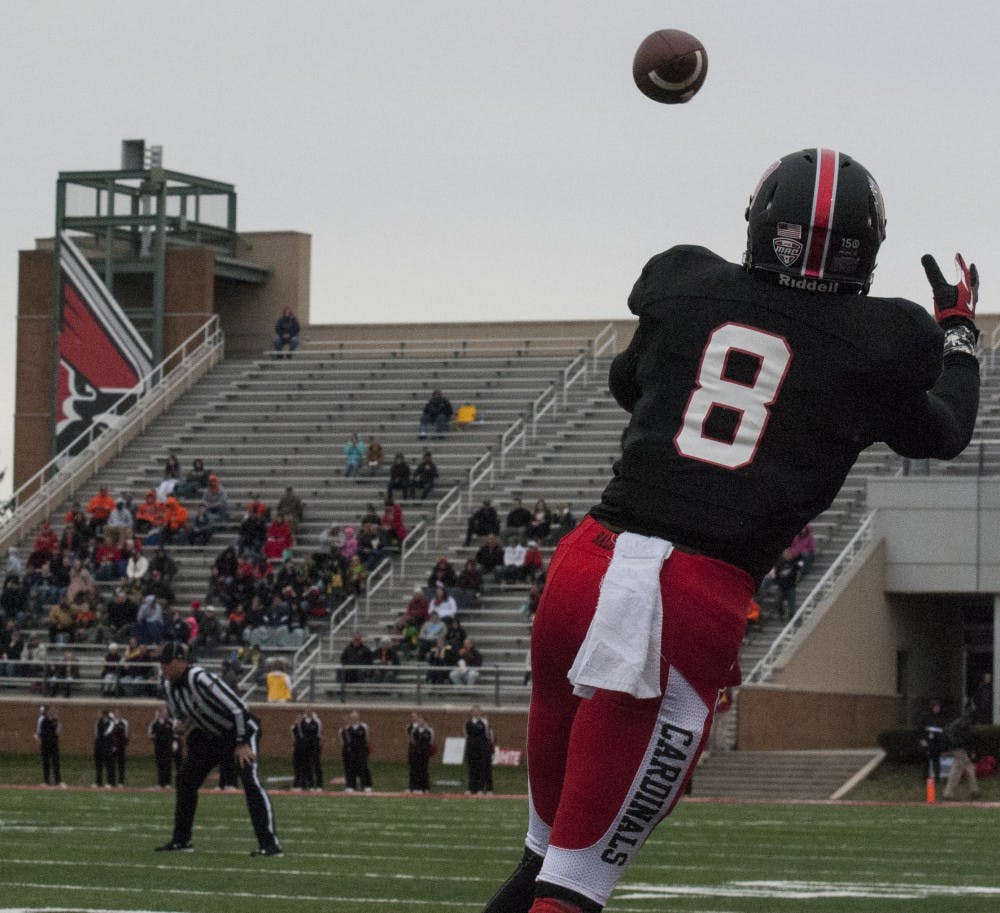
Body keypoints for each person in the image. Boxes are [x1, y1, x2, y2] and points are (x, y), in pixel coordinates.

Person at [480, 147, 981, 913]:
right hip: (681, 600)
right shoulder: (876, 344)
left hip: (585, 568)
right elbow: (945, 429)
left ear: (758, 222)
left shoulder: (686, 283)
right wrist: (959, 336)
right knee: (574, 888)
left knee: (544, 864)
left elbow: (630, 384)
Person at [155, 641, 283, 855]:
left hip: (239, 730)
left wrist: (241, 743)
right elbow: (183, 715)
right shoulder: (169, 686)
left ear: (181, 662)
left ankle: (270, 844)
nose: (164, 670)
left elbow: (238, 708)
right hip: (210, 735)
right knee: (186, 779)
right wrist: (181, 725)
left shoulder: (199, 677)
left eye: (167, 664)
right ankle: (181, 840)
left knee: (249, 779)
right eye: (162, 665)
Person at [942, 705, 980, 801]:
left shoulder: (959, 721)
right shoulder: (965, 723)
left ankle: (974, 790)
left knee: (967, 767)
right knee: (958, 769)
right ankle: (949, 792)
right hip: (959, 748)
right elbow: (966, 739)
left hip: (955, 747)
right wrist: (970, 751)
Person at [339, 709, 373, 792]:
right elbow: (342, 742)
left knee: (363, 767)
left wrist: (365, 750)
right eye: (352, 717)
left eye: (356, 717)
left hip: (361, 751)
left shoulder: (364, 726)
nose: (354, 718)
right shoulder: (345, 729)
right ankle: (350, 786)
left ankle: (366, 785)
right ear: (350, 718)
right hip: (351, 752)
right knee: (350, 768)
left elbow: (367, 738)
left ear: (358, 717)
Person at [465, 706, 494, 795]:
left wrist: (488, 747)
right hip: (471, 749)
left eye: (477, 711)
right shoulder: (468, 723)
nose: (476, 713)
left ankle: (481, 788)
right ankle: (472, 788)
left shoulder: (484, 722)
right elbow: (466, 735)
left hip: (482, 749)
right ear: (471, 712)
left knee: (483, 768)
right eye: (474, 711)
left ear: (480, 712)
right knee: (472, 768)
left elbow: (488, 735)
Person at [35, 705, 65, 787]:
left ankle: (58, 781)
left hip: (54, 744)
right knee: (46, 763)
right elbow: (40, 733)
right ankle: (46, 781)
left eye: (54, 710)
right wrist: (40, 742)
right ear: (47, 711)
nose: (53, 711)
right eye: (51, 710)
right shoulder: (43, 720)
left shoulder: (55, 721)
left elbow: (57, 733)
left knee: (56, 763)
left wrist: (59, 727)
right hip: (45, 744)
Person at [920, 698, 948, 784]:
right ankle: (926, 777)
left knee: (936, 760)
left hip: (937, 741)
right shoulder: (926, 716)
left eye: (938, 707)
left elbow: (944, 728)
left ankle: (937, 777)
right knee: (927, 760)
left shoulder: (941, 717)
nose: (937, 708)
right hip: (928, 740)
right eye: (936, 707)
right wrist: (922, 739)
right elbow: (920, 728)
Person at [407, 711, 435, 793]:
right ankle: (416, 787)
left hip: (425, 753)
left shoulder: (429, 730)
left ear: (425, 721)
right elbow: (412, 741)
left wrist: (426, 749)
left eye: (422, 719)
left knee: (424, 770)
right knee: (416, 769)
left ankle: (425, 787)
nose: (420, 721)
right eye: (419, 719)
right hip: (416, 753)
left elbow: (431, 741)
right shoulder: (414, 730)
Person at [149, 706, 176, 789]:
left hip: (167, 746)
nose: (165, 714)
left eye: (166, 713)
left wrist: (173, 743)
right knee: (160, 764)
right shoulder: (155, 723)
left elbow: (174, 734)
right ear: (160, 713)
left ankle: (168, 783)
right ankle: (160, 783)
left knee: (167, 764)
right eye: (164, 713)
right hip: (159, 746)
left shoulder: (170, 723)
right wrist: (155, 738)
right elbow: (151, 734)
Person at [93, 708, 117, 788]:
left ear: (104, 715)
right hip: (99, 745)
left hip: (107, 746)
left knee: (109, 765)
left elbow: (107, 733)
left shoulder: (111, 723)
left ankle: (111, 782)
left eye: (99, 714)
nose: (98, 715)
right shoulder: (98, 723)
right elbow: (96, 734)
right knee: (98, 765)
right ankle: (98, 782)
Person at [301, 709, 324, 791]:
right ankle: (310, 785)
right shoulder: (302, 721)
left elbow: (319, 734)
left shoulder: (317, 721)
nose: (308, 712)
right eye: (307, 711)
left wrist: (319, 745)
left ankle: (319, 785)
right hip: (305, 746)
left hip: (314, 745)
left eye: (310, 711)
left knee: (317, 765)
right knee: (306, 765)